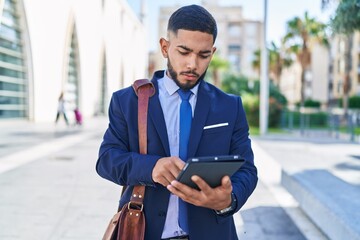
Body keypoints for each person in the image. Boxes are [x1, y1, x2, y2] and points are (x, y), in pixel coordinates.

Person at [96, 4, 257, 240]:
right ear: (164, 47)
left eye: (203, 55)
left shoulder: (229, 106)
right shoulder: (127, 101)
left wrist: (229, 200)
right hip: (145, 232)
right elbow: (107, 160)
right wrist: (151, 167)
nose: (193, 64)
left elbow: (247, 169)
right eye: (184, 51)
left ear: (212, 53)